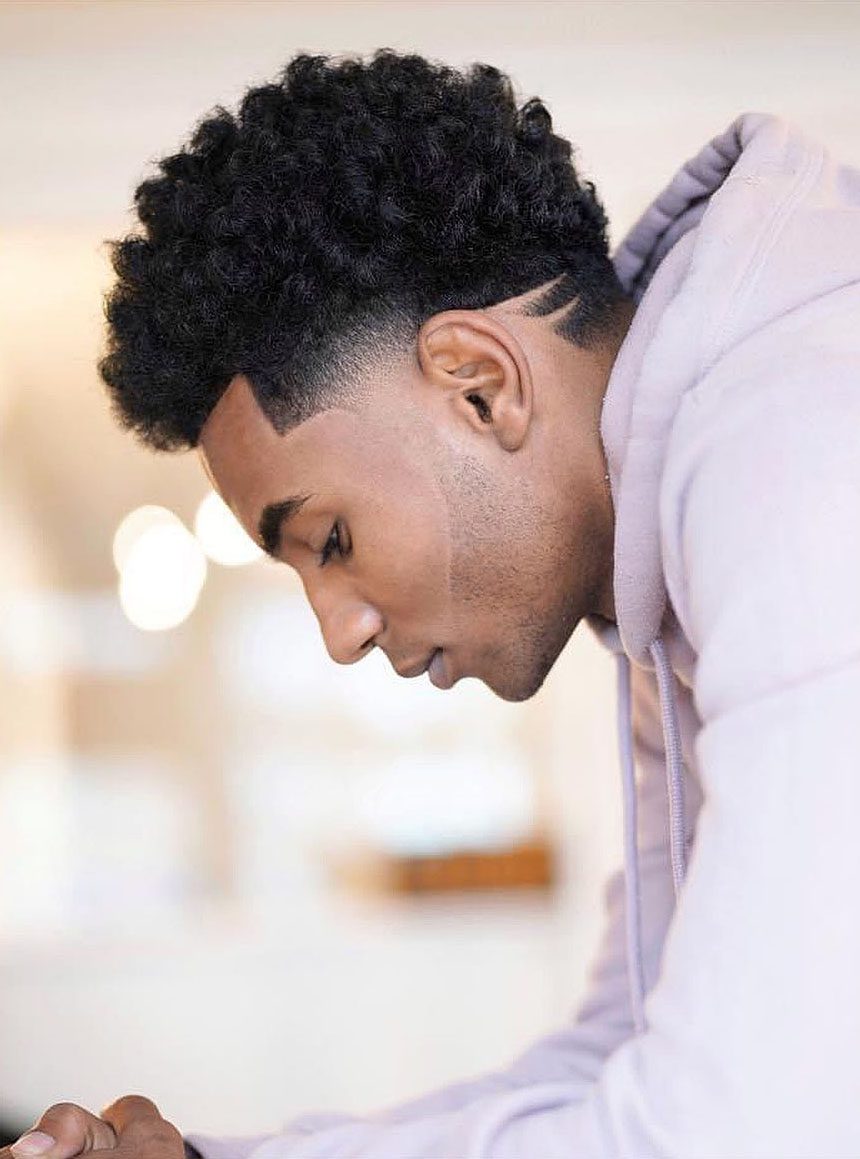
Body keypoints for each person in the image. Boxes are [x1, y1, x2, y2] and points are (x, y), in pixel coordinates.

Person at [6, 47, 860, 1159]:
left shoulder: (793, 450)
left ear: (478, 382)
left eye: (332, 540)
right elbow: (627, 1056)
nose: (338, 630)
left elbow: (734, 1128)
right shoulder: (664, 563)